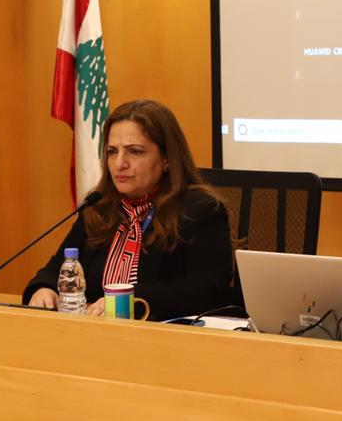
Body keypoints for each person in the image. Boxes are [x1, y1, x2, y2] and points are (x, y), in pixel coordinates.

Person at [24, 99, 233, 321]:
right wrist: (43, 289)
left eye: (135, 152)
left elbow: (211, 290)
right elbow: (57, 268)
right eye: (112, 152)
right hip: (95, 337)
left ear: (166, 159)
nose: (119, 163)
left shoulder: (198, 209)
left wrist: (130, 299)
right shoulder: (100, 206)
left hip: (164, 341)